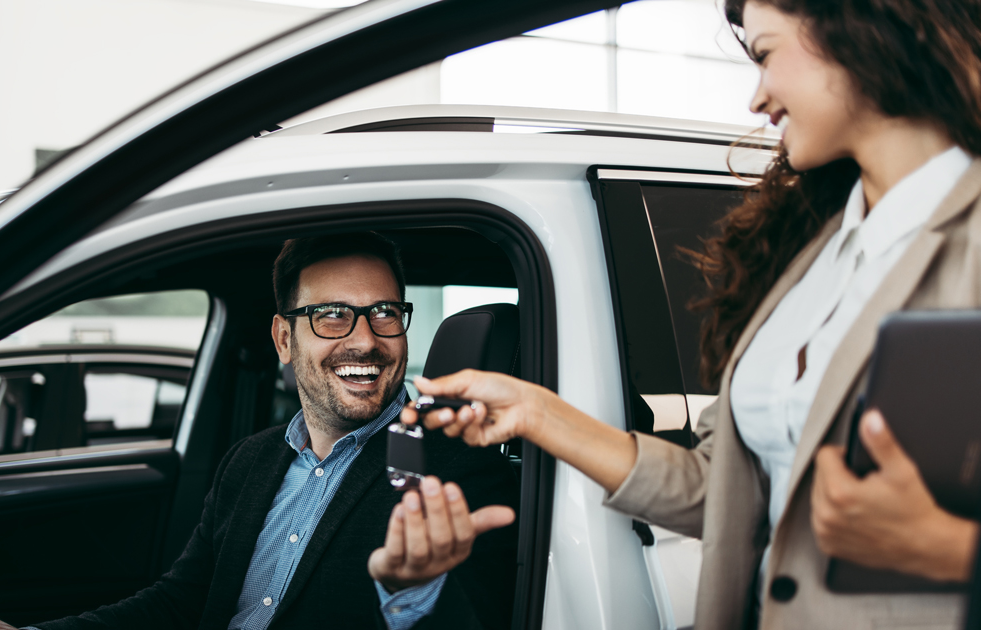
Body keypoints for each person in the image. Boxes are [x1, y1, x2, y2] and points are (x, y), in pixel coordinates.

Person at [402, 1, 981, 628]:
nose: (757, 99)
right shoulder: (816, 251)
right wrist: (537, 412)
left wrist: (946, 548)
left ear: (860, 33)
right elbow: (723, 494)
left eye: (764, 55)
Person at [0, 232, 518, 630]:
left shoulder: (457, 469)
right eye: (331, 315)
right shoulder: (250, 462)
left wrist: (412, 591)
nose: (366, 340)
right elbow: (180, 602)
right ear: (284, 339)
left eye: (384, 313)